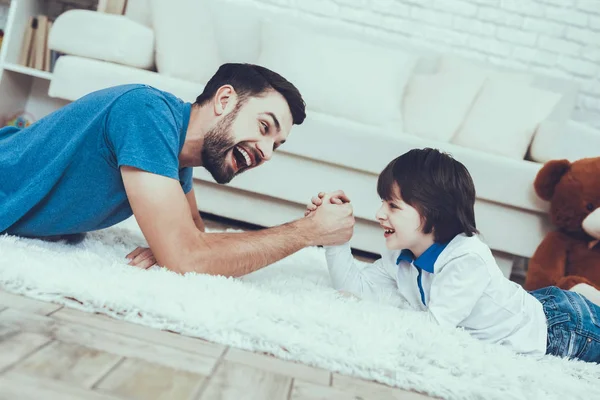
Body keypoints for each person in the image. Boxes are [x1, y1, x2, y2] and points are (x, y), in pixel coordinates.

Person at [0, 63, 354, 275]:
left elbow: (193, 240)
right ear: (225, 99)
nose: (266, 153)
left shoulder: (178, 156)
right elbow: (189, 257)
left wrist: (172, 242)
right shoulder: (146, 113)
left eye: (276, 145)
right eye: (264, 128)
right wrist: (307, 232)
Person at [305, 148, 600, 361]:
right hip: (535, 304)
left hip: (559, 327)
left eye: (393, 206)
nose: (379, 214)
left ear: (434, 213)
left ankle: (587, 297)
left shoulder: (466, 259)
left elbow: (434, 331)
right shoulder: (402, 255)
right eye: (384, 203)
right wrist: (335, 240)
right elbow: (354, 290)